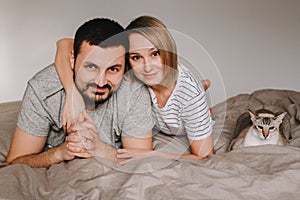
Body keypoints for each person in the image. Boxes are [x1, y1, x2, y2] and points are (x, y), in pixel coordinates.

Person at [54, 15, 214, 164]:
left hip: (179, 116)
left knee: (192, 96)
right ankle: (203, 84)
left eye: (155, 54)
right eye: (136, 57)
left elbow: (205, 156)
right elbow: (64, 44)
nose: (147, 67)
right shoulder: (131, 74)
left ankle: (202, 87)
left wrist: (154, 154)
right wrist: (72, 94)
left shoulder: (189, 95)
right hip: (159, 113)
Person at [5, 18, 154, 168]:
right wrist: (60, 153)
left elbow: (141, 161)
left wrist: (100, 149)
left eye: (113, 69)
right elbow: (14, 162)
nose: (101, 82)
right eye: (91, 67)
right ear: (72, 60)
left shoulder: (134, 91)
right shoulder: (43, 89)